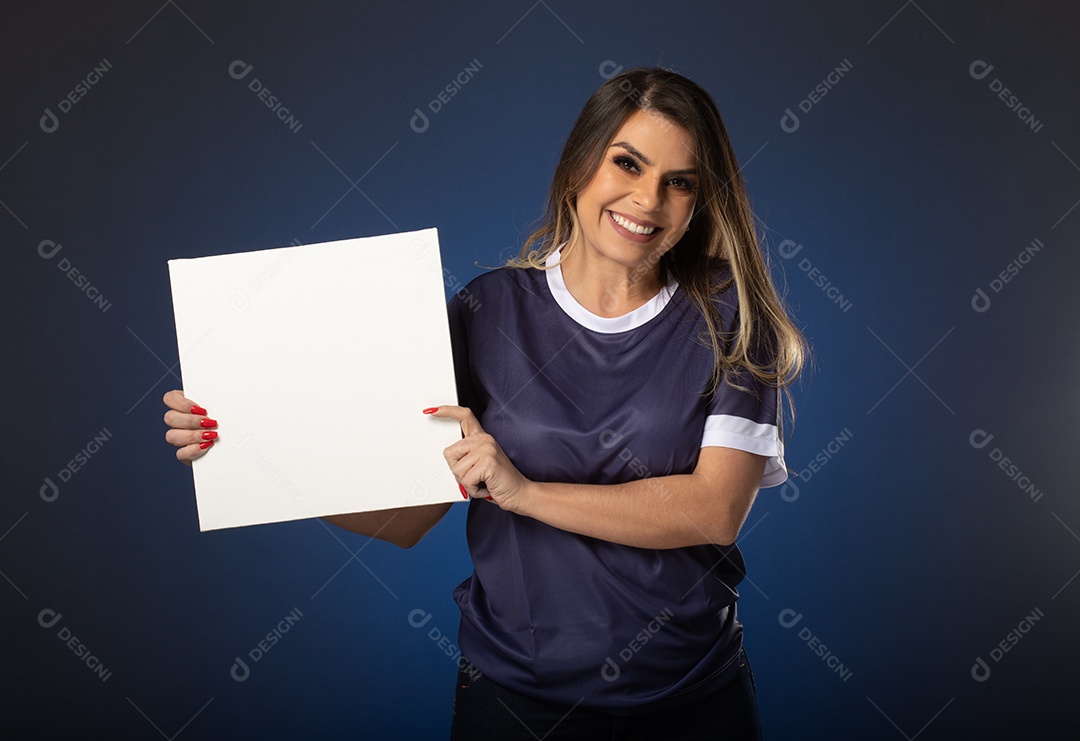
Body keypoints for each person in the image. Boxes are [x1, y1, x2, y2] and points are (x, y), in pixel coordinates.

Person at [164, 67, 806, 739]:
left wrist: (524, 491)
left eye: (680, 182)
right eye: (628, 164)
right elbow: (410, 515)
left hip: (692, 702)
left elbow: (713, 509)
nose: (647, 199)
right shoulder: (486, 309)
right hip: (514, 703)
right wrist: (255, 448)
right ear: (579, 167)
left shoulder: (731, 315)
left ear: (700, 200)